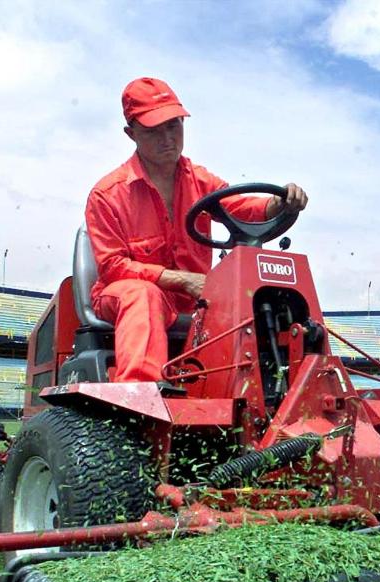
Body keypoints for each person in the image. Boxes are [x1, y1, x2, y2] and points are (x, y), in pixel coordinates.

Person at [85, 77, 309, 383]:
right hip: (128, 297)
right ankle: (140, 397)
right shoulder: (108, 195)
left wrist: (279, 202)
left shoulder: (200, 181)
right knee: (143, 294)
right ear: (131, 133)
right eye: (154, 130)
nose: (168, 138)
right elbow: (113, 268)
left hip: (197, 301)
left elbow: (242, 208)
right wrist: (182, 280)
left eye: (174, 126)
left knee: (262, 293)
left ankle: (279, 388)